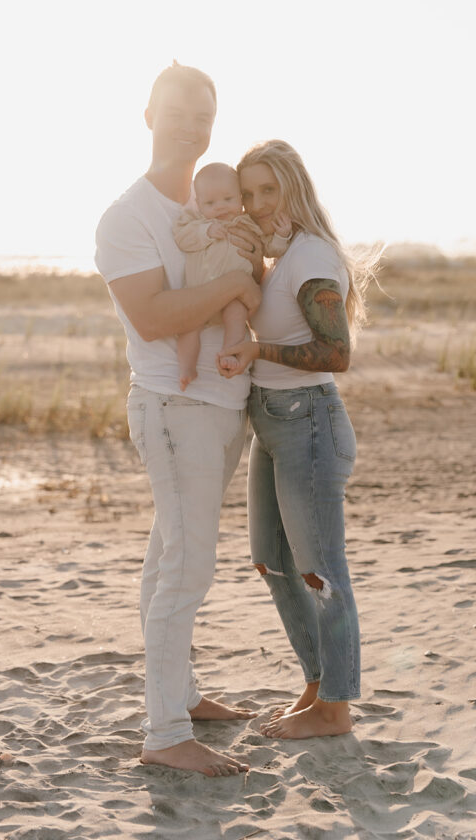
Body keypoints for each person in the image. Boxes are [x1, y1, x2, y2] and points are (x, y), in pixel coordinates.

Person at [94, 62, 263, 777]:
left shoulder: (218, 202)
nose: (191, 126)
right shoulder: (126, 216)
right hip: (173, 407)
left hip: (223, 409)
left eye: (204, 115)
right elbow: (154, 316)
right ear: (148, 117)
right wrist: (233, 283)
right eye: (178, 112)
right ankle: (163, 735)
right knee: (187, 569)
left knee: (171, 554)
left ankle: (183, 696)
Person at [217, 139, 379, 740]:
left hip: (309, 418)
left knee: (321, 570)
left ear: (294, 190)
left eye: (269, 190)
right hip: (272, 420)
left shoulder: (313, 256)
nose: (257, 203)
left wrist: (258, 349)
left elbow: (337, 353)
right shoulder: (285, 254)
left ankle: (336, 707)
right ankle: (317, 684)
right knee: (273, 560)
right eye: (249, 192)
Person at [173, 161, 291, 390]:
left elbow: (270, 250)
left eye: (228, 199)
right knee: (188, 329)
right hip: (199, 295)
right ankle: (186, 368)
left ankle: (230, 353)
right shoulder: (197, 222)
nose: (220, 207)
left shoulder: (249, 225)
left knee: (237, 319)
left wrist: (282, 237)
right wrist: (205, 232)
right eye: (210, 202)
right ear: (199, 204)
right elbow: (182, 238)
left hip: (233, 298)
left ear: (240, 198)